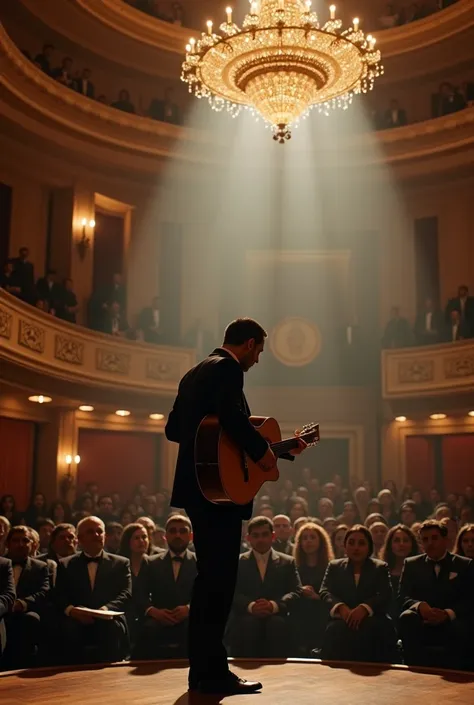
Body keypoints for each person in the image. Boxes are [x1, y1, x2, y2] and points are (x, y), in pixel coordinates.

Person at [165, 317, 307, 695]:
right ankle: (213, 673)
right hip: (219, 496)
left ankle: (203, 671)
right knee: (220, 584)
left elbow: (174, 430)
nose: (257, 360)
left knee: (207, 581)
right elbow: (234, 420)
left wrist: (267, 451)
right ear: (247, 344)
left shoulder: (194, 372)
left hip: (201, 489)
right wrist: (262, 454)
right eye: (258, 351)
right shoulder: (228, 368)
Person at [53, 516, 131, 664]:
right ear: (80, 538)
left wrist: (106, 609)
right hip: (76, 618)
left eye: (99, 531)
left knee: (112, 628)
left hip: (109, 618)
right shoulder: (65, 564)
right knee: (68, 629)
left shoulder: (121, 563)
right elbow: (59, 595)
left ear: (105, 536)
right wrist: (72, 610)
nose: (96, 535)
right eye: (90, 532)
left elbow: (126, 593)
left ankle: (112, 676)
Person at [398, 520, 474, 669]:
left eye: (434, 538)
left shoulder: (465, 564)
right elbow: (402, 596)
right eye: (425, 539)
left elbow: (470, 599)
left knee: (463, 625)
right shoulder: (411, 564)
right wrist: (419, 606)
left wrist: (447, 613)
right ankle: (416, 671)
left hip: (452, 620)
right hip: (421, 618)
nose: (430, 543)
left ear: (445, 540)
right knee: (407, 617)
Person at [319, 524, 397, 663]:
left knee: (375, 628)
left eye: (361, 543)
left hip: (373, 618)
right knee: (335, 629)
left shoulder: (380, 567)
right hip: (342, 619)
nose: (356, 547)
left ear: (369, 547)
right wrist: (340, 607)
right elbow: (325, 591)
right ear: (345, 546)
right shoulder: (335, 566)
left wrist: (365, 608)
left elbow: (386, 594)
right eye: (351, 543)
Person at [229, 516, 302, 658]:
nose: (260, 539)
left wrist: (274, 605)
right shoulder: (237, 562)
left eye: (264, 535)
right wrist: (251, 606)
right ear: (248, 538)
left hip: (278, 617)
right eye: (255, 536)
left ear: (273, 536)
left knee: (276, 624)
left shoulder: (287, 562)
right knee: (248, 624)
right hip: (246, 617)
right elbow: (230, 591)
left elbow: (296, 590)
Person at [136, 515, 196, 659]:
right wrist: (153, 611)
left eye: (182, 531)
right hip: (158, 618)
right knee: (147, 630)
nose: (177, 535)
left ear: (191, 536)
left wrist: (189, 609)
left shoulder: (201, 562)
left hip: (191, 618)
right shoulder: (150, 562)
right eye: (173, 531)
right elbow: (139, 593)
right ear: (165, 536)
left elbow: (209, 594)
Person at [3, 526, 50, 669]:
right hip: (1, 609)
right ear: (7, 544)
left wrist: (22, 603)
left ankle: (23, 668)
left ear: (33, 544)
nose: (20, 544)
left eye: (25, 540)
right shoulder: (1, 564)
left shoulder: (40, 567)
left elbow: (44, 592)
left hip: (24, 611)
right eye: (15, 540)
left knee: (32, 618)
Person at [292, 522, 332, 654]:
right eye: (305, 538)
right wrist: (300, 590)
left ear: (321, 541)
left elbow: (335, 594)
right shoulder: (294, 568)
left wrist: (318, 597)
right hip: (300, 609)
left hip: (323, 609)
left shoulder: (330, 568)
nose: (308, 541)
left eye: (312, 537)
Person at [118, 522, 151, 649]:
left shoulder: (153, 563)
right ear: (128, 541)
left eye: (144, 537)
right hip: (126, 609)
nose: (141, 541)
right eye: (136, 538)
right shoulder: (119, 564)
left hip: (146, 609)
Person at [380, 524, 419, 620]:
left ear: (412, 545)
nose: (401, 544)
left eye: (405, 540)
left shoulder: (421, 570)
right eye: (396, 541)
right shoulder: (381, 571)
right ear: (390, 545)